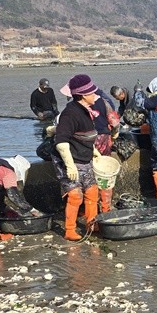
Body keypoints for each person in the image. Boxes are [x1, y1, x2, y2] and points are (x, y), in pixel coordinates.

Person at [54, 74, 102, 241]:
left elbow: (85, 135)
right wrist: (70, 165)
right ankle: (69, 230)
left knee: (92, 191)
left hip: (85, 159)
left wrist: (94, 150)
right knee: (75, 195)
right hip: (70, 161)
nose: (95, 95)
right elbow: (61, 142)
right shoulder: (70, 114)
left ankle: (92, 224)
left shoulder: (86, 111)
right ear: (82, 96)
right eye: (92, 93)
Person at [91, 89, 121, 213]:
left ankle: (90, 209)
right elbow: (114, 122)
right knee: (105, 172)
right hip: (103, 138)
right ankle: (105, 208)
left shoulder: (76, 105)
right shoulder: (103, 102)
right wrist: (114, 134)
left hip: (86, 140)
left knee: (89, 174)